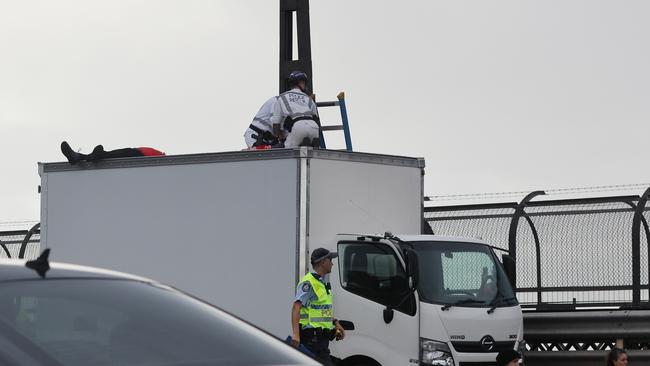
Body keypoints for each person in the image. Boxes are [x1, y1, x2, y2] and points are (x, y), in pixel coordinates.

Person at [291, 248, 345, 365]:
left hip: (321, 341)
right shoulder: (309, 283)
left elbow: (321, 310)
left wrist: (335, 322)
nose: (332, 263)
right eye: (330, 260)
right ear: (323, 262)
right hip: (312, 341)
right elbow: (296, 307)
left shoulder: (322, 282)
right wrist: (296, 335)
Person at [272, 71, 321, 148]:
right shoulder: (309, 99)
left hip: (297, 128)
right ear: (300, 83)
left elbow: (276, 124)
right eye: (304, 83)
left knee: (285, 150)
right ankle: (309, 144)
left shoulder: (282, 97)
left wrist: (279, 136)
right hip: (314, 128)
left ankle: (302, 143)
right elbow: (316, 119)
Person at [60, 141, 165, 165]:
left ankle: (80, 157)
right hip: (137, 153)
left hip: (137, 154)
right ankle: (79, 157)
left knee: (107, 154)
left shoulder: (164, 161)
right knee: (107, 155)